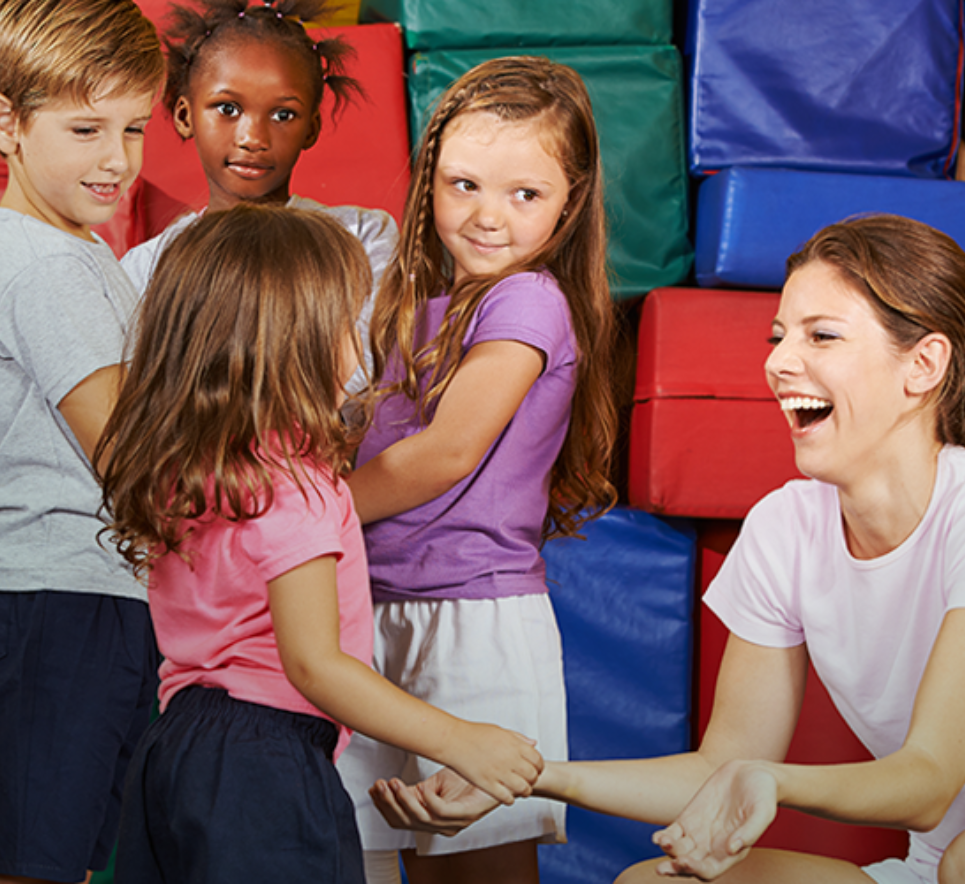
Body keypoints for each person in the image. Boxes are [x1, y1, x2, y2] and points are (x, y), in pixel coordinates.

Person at [372, 215, 965, 884]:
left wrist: (771, 782)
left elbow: (927, 782)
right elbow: (724, 764)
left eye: (822, 336)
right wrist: (525, 779)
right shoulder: (786, 525)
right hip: (939, 869)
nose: (780, 362)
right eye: (780, 335)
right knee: (654, 882)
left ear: (922, 366)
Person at [97, 203, 544, 884]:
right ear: (291, 344)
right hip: (265, 759)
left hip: (173, 748)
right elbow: (316, 666)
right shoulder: (295, 488)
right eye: (344, 325)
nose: (358, 347)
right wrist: (461, 740)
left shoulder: (200, 472)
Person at [333, 55, 619, 884]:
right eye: (463, 185)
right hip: (374, 609)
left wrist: (313, 511)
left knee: (477, 865)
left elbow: (447, 452)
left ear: (570, 202)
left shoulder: (526, 299)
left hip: (474, 621)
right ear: (429, 182)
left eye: (524, 194)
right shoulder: (407, 303)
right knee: (371, 856)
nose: (488, 217)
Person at [0, 2, 164, 881]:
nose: (116, 159)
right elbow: (130, 457)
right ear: (5, 121)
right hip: (56, 604)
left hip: (96, 598)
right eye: (85, 129)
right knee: (38, 864)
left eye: (133, 128)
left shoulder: (75, 252)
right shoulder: (47, 267)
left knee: (70, 859)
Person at [119, 0, 396, 380]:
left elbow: (368, 376)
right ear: (185, 116)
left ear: (311, 129)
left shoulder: (361, 238)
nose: (253, 138)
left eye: (283, 115)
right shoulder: (146, 267)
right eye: (227, 109)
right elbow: (138, 393)